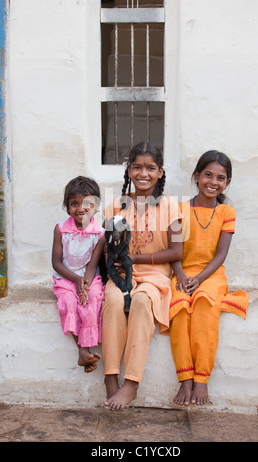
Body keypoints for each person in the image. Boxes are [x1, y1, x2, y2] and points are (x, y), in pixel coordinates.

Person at [102, 141, 183, 410]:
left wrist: (136, 259)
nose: (143, 173)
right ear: (129, 170)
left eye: (150, 168)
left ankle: (131, 383)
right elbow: (106, 246)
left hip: (155, 278)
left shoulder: (172, 206)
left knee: (140, 302)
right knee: (113, 301)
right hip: (122, 274)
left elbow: (176, 251)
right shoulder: (116, 205)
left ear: (160, 172)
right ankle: (110, 378)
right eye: (137, 167)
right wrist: (117, 264)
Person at [169, 150, 249, 406]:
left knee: (204, 307)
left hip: (212, 274)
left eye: (221, 178)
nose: (213, 182)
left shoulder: (227, 212)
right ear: (196, 176)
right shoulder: (178, 209)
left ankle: (202, 377)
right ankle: (185, 378)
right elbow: (174, 251)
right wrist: (181, 275)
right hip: (182, 272)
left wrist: (201, 279)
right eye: (208, 175)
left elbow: (221, 255)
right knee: (180, 309)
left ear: (227, 183)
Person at [52, 176, 105, 373]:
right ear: (67, 206)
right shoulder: (61, 229)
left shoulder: (99, 233)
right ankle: (83, 350)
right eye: (74, 204)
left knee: (92, 300)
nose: (80, 209)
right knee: (70, 301)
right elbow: (56, 263)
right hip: (66, 278)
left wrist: (86, 286)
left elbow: (92, 265)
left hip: (89, 278)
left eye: (87, 204)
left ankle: (85, 352)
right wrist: (76, 281)